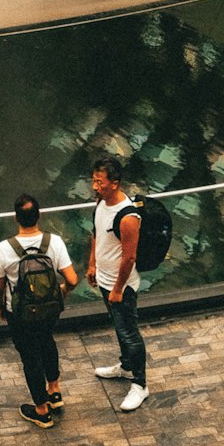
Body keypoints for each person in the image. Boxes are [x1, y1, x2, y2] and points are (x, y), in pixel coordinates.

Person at [0, 193, 78, 429]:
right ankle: (55, 392)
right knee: (47, 342)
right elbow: (72, 278)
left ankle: (41, 411)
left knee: (30, 357)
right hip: (49, 310)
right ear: (39, 215)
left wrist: (0, 307)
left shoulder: (4, 249)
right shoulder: (54, 242)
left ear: (15, 218)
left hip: (19, 313)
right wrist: (62, 293)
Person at [87, 156, 149, 412]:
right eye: (93, 180)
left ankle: (140, 384)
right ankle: (125, 366)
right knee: (120, 327)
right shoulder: (101, 203)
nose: (94, 186)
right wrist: (92, 265)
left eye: (99, 182)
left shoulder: (128, 217)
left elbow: (130, 256)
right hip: (105, 279)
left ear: (114, 183)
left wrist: (117, 289)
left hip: (120, 286)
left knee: (129, 333)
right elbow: (96, 234)